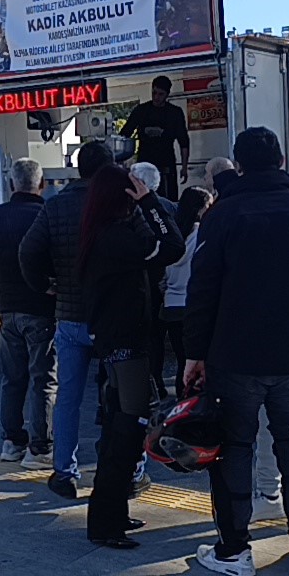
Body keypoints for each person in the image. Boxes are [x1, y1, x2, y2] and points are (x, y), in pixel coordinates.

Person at [185, 127, 289, 576]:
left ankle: (235, 550)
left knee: (236, 447)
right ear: (280, 162)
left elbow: (203, 289)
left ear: (239, 165)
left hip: (234, 353)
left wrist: (195, 352)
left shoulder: (223, 214)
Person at [81, 165, 185, 549]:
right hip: (126, 344)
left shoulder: (102, 232)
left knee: (119, 426)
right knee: (127, 429)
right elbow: (172, 246)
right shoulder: (118, 237)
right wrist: (151, 203)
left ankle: (112, 514)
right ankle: (106, 521)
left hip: (116, 340)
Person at [20, 141, 116, 499]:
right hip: (111, 318)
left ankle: (65, 471)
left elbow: (28, 252)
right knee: (120, 398)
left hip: (71, 316)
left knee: (68, 397)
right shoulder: (120, 203)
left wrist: (45, 285)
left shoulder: (55, 206)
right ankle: (123, 469)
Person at [0, 158, 57, 470]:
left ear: (11, 184)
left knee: (12, 378)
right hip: (41, 307)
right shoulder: (46, 215)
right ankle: (40, 447)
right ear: (40, 184)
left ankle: (12, 440)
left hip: (8, 306)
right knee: (44, 379)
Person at [129, 161, 176, 399]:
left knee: (144, 335)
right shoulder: (169, 208)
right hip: (164, 282)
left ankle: (146, 382)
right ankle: (156, 379)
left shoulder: (133, 210)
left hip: (144, 280)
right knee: (157, 335)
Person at [161, 186, 213, 397]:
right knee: (199, 363)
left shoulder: (173, 235)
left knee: (183, 361)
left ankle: (181, 408)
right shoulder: (202, 235)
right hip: (193, 305)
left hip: (171, 306)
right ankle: (196, 411)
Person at [119, 75, 190, 200]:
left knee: (167, 200)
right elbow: (125, 134)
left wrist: (184, 167)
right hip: (144, 164)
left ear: (167, 94)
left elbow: (183, 141)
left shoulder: (174, 113)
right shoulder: (141, 111)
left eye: (160, 94)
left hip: (166, 164)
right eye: (154, 93)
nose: (156, 97)